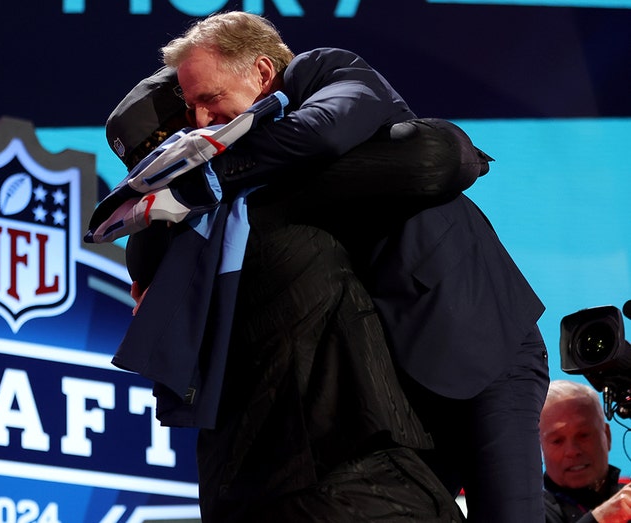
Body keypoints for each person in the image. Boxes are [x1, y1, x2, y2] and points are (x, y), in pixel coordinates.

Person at [153, 11, 550, 523]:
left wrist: (205, 173)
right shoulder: (253, 164)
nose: (202, 123)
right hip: (403, 381)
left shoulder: (325, 72)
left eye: (209, 99)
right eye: (191, 108)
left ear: (262, 71)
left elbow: (318, 134)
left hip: (480, 341)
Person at [99, 52, 470, 523]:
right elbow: (437, 160)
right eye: (202, 105)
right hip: (347, 475)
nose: (210, 116)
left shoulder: (156, 241)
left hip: (238, 492)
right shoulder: (275, 191)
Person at [540, 380, 631, 523]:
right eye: (557, 440)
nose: (572, 451)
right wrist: (601, 518)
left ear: (607, 435)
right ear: (541, 448)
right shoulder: (527, 511)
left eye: (583, 435)